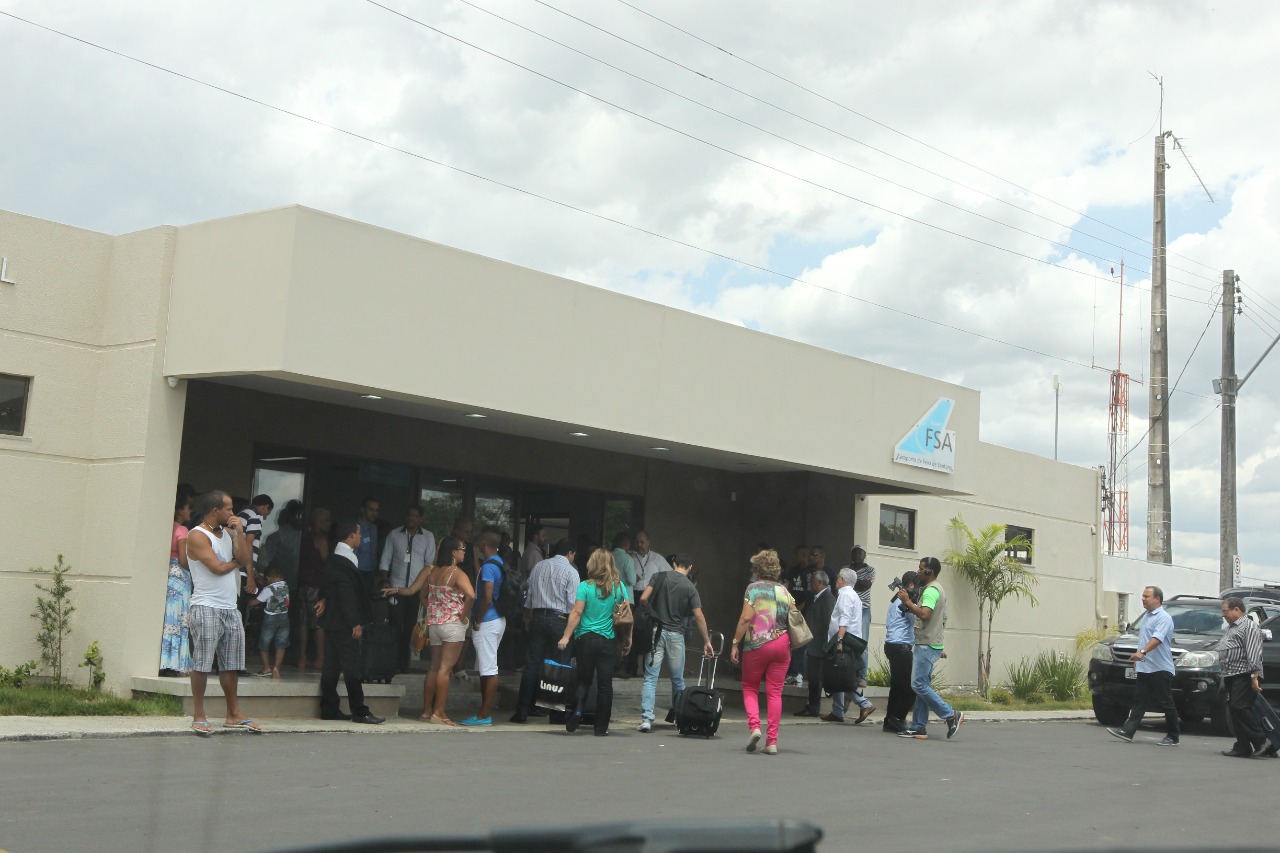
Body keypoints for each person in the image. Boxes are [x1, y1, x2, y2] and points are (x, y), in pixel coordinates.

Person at [185, 490, 260, 735]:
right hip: (206, 605)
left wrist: (239, 532)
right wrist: (236, 563)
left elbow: (246, 559)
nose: (232, 513)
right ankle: (199, 714)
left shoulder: (228, 533)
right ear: (215, 510)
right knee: (203, 663)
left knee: (231, 665)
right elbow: (217, 568)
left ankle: (233, 713)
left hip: (229, 607)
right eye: (228, 509)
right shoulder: (197, 535)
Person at [387, 537, 476, 726]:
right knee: (446, 669)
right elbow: (471, 595)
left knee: (434, 667)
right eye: (462, 548)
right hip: (452, 625)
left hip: (434, 625)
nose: (464, 552)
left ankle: (426, 711)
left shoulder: (431, 571)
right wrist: (463, 615)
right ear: (453, 552)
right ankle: (439, 713)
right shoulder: (458, 573)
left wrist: (434, 609)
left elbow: (421, 594)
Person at [638, 554, 715, 733]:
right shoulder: (689, 586)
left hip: (656, 632)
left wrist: (652, 613)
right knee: (677, 679)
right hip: (676, 635)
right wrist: (707, 641)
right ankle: (680, 717)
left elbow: (643, 598)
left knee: (650, 677)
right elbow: (698, 615)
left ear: (674, 564)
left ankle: (647, 719)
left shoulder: (659, 576)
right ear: (690, 567)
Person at [557, 548, 630, 736]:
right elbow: (627, 616)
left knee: (583, 680)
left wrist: (566, 636)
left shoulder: (585, 586)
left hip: (585, 639)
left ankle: (579, 709)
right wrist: (628, 639)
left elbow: (577, 613)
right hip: (607, 640)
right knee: (605, 685)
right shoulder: (619, 587)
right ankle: (601, 727)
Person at [318, 518, 384, 724]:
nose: (360, 537)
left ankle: (329, 708)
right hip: (344, 623)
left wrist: (323, 598)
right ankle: (360, 710)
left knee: (331, 666)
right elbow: (347, 596)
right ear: (351, 536)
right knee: (352, 667)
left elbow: (330, 588)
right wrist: (355, 622)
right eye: (358, 533)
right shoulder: (345, 562)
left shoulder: (333, 559)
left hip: (332, 622)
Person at [730, 549, 795, 755]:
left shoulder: (753, 589)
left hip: (758, 644)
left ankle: (755, 727)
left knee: (750, 686)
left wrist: (734, 643)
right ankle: (772, 742)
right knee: (775, 692)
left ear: (757, 570)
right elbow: (794, 616)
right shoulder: (785, 591)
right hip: (782, 644)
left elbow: (745, 619)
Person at [511, 538, 580, 723]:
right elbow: (573, 605)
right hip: (560, 620)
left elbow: (529, 596)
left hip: (538, 617)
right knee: (559, 667)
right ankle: (555, 713)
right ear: (570, 553)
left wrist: (528, 618)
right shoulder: (571, 572)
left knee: (532, 665)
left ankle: (522, 709)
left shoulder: (539, 567)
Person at [897, 557, 963, 740]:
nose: (918, 572)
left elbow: (925, 614)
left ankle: (950, 714)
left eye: (921, 569)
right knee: (922, 686)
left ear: (929, 572)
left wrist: (908, 602)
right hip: (930, 643)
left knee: (917, 685)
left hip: (926, 644)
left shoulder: (931, 591)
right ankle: (918, 726)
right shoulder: (935, 589)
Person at [1106, 585, 1178, 746]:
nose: (1143, 599)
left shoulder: (1163, 617)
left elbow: (1157, 639)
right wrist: (1138, 659)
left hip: (1160, 668)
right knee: (1139, 701)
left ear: (1157, 599)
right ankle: (1128, 730)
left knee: (1166, 702)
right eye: (1143, 596)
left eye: (1147, 596)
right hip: (1146, 667)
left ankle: (1173, 736)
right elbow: (1143, 639)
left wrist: (1142, 652)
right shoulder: (1147, 616)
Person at [379, 506, 436, 673]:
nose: (411, 518)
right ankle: (391, 661)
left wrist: (425, 590)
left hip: (416, 590)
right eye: (409, 515)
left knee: (411, 626)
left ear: (421, 519)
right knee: (394, 625)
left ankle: (404, 663)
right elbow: (385, 560)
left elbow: (430, 565)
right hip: (395, 588)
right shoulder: (394, 534)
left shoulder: (428, 537)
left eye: (415, 516)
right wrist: (384, 580)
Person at [461, 530, 506, 726]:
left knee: (489, 669)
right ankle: (483, 711)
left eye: (479, 539)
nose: (477, 542)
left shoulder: (489, 567)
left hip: (487, 620)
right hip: (498, 619)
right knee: (485, 667)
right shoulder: (499, 563)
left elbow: (486, 596)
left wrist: (477, 619)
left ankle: (484, 715)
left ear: (485, 542)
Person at [1216, 596, 1269, 757]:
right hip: (1232, 674)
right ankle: (1242, 746)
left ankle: (1262, 741)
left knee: (1240, 707)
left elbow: (1254, 655)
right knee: (1234, 710)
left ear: (1237, 610)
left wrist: (1254, 677)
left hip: (1244, 675)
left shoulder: (1249, 627)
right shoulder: (1232, 627)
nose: (1223, 615)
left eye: (1225, 611)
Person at [822, 568, 876, 725]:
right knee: (838, 672)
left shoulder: (845, 594)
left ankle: (864, 703)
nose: (836, 581)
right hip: (848, 638)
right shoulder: (854, 595)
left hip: (844, 639)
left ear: (842, 579)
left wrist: (839, 640)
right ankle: (837, 710)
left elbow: (844, 618)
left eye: (838, 578)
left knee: (842, 676)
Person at [624, 531, 672, 676]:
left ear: (649, 542)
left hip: (651, 599)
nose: (639, 545)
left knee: (649, 633)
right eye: (637, 542)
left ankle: (647, 670)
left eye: (642, 542)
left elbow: (669, 576)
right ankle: (631, 668)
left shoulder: (657, 558)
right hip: (634, 597)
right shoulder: (630, 558)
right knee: (631, 631)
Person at [159, 491, 194, 676]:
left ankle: (164, 661)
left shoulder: (166, 527)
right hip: (180, 577)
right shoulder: (182, 530)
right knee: (180, 619)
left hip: (167, 575)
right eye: (189, 507)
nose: (190, 511)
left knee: (168, 619)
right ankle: (176, 663)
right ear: (180, 510)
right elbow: (182, 558)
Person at [793, 570, 835, 717]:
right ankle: (812, 706)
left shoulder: (827, 599)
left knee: (816, 679)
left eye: (812, 581)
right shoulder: (817, 598)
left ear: (818, 583)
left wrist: (826, 646)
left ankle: (814, 707)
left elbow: (829, 624)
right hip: (814, 646)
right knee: (813, 678)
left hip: (819, 647)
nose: (810, 584)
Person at [236, 494, 272, 662]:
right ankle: (236, 662)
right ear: (264, 507)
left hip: (234, 572)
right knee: (241, 618)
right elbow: (248, 545)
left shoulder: (242, 515)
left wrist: (256, 575)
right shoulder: (255, 517)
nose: (266, 517)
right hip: (242, 572)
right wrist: (251, 575)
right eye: (267, 512)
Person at [882, 569, 919, 733]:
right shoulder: (905, 602)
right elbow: (914, 619)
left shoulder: (894, 601)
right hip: (901, 646)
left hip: (891, 644)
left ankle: (889, 720)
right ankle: (898, 718)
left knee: (897, 686)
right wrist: (913, 604)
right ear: (911, 585)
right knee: (910, 686)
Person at [296, 507, 331, 672]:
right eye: (326, 520)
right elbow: (326, 563)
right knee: (318, 623)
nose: (329, 524)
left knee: (303, 622)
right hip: (316, 585)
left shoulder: (304, 536)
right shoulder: (320, 539)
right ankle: (320, 658)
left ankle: (302, 658)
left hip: (303, 584)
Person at [249, 566, 290, 679]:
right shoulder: (285, 585)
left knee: (264, 643)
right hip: (284, 617)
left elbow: (257, 601)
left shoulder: (268, 589)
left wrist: (246, 602)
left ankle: (267, 668)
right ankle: (276, 667)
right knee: (281, 644)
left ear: (268, 578)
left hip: (270, 618)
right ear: (281, 577)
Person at [783, 545, 811, 686]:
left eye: (805, 554)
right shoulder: (793, 571)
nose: (803, 557)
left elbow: (810, 594)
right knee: (790, 642)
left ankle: (798, 673)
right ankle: (790, 672)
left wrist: (800, 608)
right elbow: (787, 588)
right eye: (801, 554)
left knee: (801, 643)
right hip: (791, 609)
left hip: (803, 612)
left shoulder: (811, 571)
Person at [849, 545, 876, 690]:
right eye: (855, 553)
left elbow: (865, 585)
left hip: (864, 609)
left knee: (863, 643)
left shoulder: (870, 570)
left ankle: (862, 677)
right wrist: (855, 583)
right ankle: (851, 673)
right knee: (848, 641)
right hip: (850, 609)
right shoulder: (846, 569)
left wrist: (852, 582)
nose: (858, 555)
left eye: (860, 553)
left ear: (864, 554)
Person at [354, 497, 380, 577]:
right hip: (358, 571)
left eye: (376, 510)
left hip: (372, 571)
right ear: (362, 509)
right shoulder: (355, 528)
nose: (374, 513)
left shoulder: (374, 528)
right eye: (371, 510)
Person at [611, 532, 637, 601]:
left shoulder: (608, 556)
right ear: (627, 544)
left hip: (609, 596)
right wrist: (636, 577)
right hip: (625, 597)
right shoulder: (627, 558)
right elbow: (632, 580)